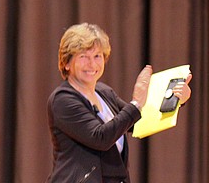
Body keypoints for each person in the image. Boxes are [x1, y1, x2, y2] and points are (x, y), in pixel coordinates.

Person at [46, 23, 192, 183]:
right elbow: (100, 137)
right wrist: (136, 102)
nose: (92, 64)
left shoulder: (103, 92)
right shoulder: (63, 99)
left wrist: (176, 99)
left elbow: (139, 121)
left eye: (97, 56)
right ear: (66, 63)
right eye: (83, 57)